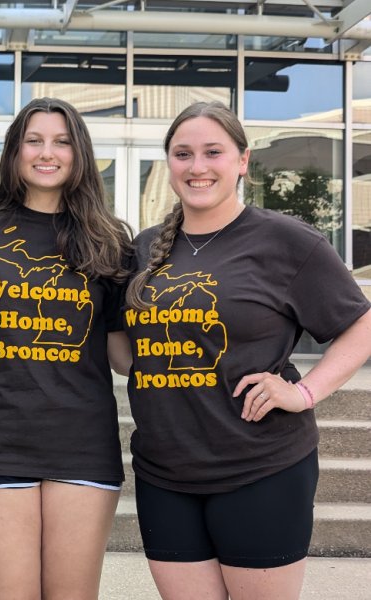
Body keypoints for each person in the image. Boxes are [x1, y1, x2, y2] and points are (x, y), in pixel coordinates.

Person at [122, 101, 371, 599]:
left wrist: (304, 393)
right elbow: (124, 348)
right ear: (168, 162)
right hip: (164, 472)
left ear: (242, 160)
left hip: (261, 467)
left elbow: (360, 323)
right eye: (183, 154)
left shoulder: (286, 240)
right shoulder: (145, 249)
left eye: (213, 152)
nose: (197, 166)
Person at [0, 98, 133, 599]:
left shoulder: (109, 239)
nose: (48, 153)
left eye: (62, 142)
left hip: (83, 444)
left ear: (79, 153)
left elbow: (121, 356)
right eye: (34, 140)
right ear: (14, 151)